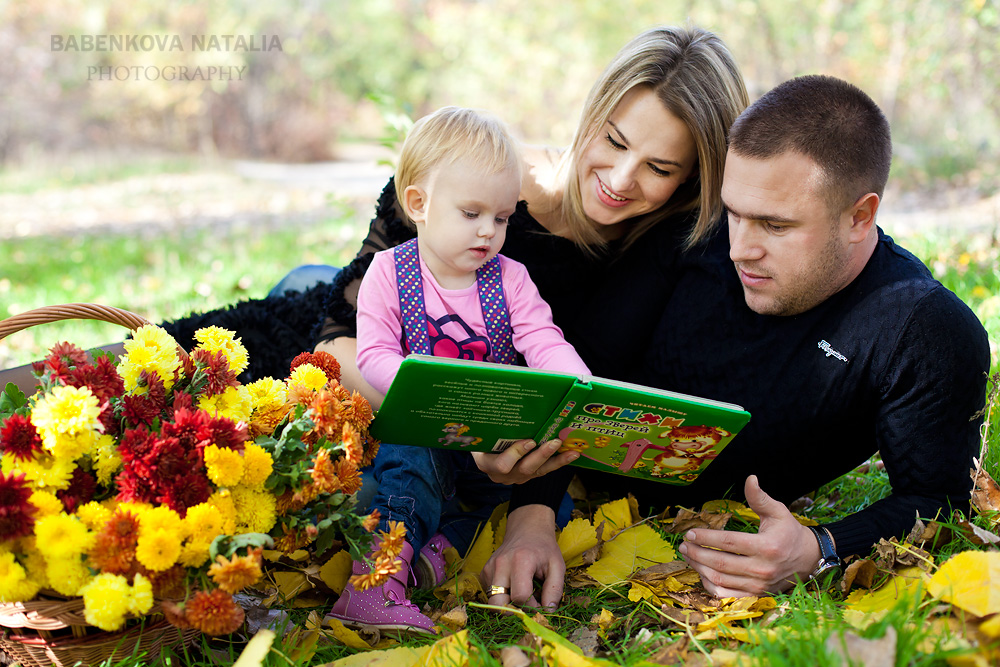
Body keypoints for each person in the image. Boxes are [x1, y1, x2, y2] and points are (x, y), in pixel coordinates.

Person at [477, 74, 990, 608]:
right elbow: (584, 365)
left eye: (775, 225)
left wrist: (819, 548)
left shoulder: (922, 327)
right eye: (736, 214)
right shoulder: (698, 227)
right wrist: (530, 520)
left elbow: (941, 500)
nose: (741, 248)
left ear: (860, 216)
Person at [328, 106, 591, 633]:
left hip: (486, 441)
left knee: (540, 506)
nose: (488, 232)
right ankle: (372, 587)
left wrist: (578, 388)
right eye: (471, 214)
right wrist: (433, 398)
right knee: (409, 483)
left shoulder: (510, 278)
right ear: (419, 204)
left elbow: (542, 338)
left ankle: (438, 556)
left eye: (501, 218)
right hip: (421, 428)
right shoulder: (391, 272)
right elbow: (374, 354)